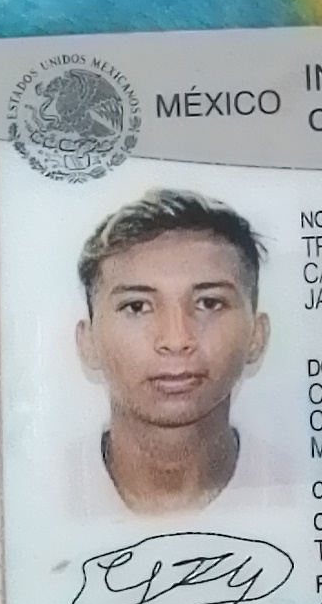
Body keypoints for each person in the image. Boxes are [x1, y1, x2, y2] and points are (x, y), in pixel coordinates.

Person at [73, 189, 281, 516]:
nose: (176, 339)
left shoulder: (310, 491)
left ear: (257, 335)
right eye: (137, 307)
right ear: (88, 342)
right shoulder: (34, 498)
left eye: (209, 303)